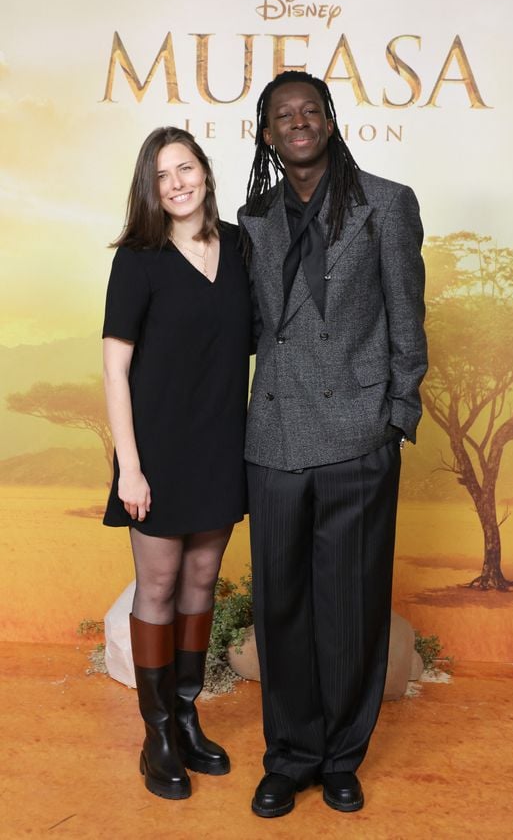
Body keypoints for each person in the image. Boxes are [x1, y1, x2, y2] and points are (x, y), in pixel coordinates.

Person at [239, 72, 427, 817]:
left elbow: (408, 322)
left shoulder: (386, 203)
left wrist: (396, 419)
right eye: (282, 115)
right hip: (274, 438)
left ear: (328, 119)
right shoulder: (254, 218)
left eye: (308, 110)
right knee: (281, 608)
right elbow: (250, 331)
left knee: (350, 608)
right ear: (268, 134)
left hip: (357, 437)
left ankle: (342, 756)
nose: (298, 122)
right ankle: (288, 757)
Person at [102, 127, 251, 800]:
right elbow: (114, 367)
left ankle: (187, 714)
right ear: (150, 190)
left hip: (221, 443)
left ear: (205, 172)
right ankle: (156, 732)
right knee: (157, 590)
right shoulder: (138, 258)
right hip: (157, 450)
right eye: (161, 176)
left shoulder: (240, 247)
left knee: (201, 584)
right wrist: (129, 467)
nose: (175, 184)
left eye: (184, 168)